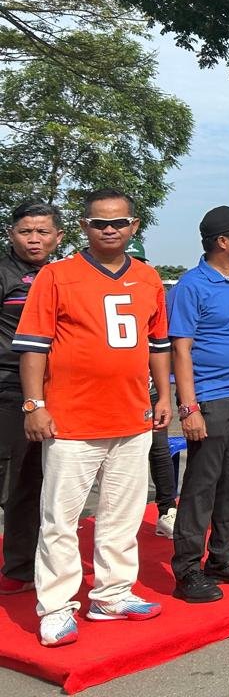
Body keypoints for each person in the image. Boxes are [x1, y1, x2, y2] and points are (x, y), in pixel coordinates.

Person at [16, 189, 171, 646]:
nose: (110, 229)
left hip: (132, 417)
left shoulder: (148, 278)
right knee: (60, 519)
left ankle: (111, 594)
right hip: (71, 420)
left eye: (119, 222)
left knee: (121, 515)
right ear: (84, 227)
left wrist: (165, 396)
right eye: (100, 223)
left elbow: (157, 345)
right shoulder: (56, 275)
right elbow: (33, 347)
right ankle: (56, 607)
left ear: (134, 226)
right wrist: (34, 404)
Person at [166, 206, 229, 603]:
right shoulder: (192, 286)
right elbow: (181, 348)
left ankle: (223, 555)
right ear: (223, 241)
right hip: (212, 398)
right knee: (201, 486)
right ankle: (188, 568)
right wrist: (188, 407)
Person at [0, 201, 63, 597]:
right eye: (26, 231)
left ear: (58, 236)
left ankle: (28, 563)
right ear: (12, 234)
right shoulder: (5, 273)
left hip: (55, 392)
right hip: (9, 390)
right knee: (14, 479)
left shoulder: (63, 275)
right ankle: (19, 566)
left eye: (42, 232)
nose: (34, 239)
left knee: (38, 480)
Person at [122, 238, 179, 540]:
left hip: (148, 390)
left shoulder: (152, 293)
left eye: (139, 263)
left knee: (159, 452)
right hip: (114, 394)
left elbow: (162, 346)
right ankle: (121, 517)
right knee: (117, 459)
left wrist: (164, 394)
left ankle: (166, 510)